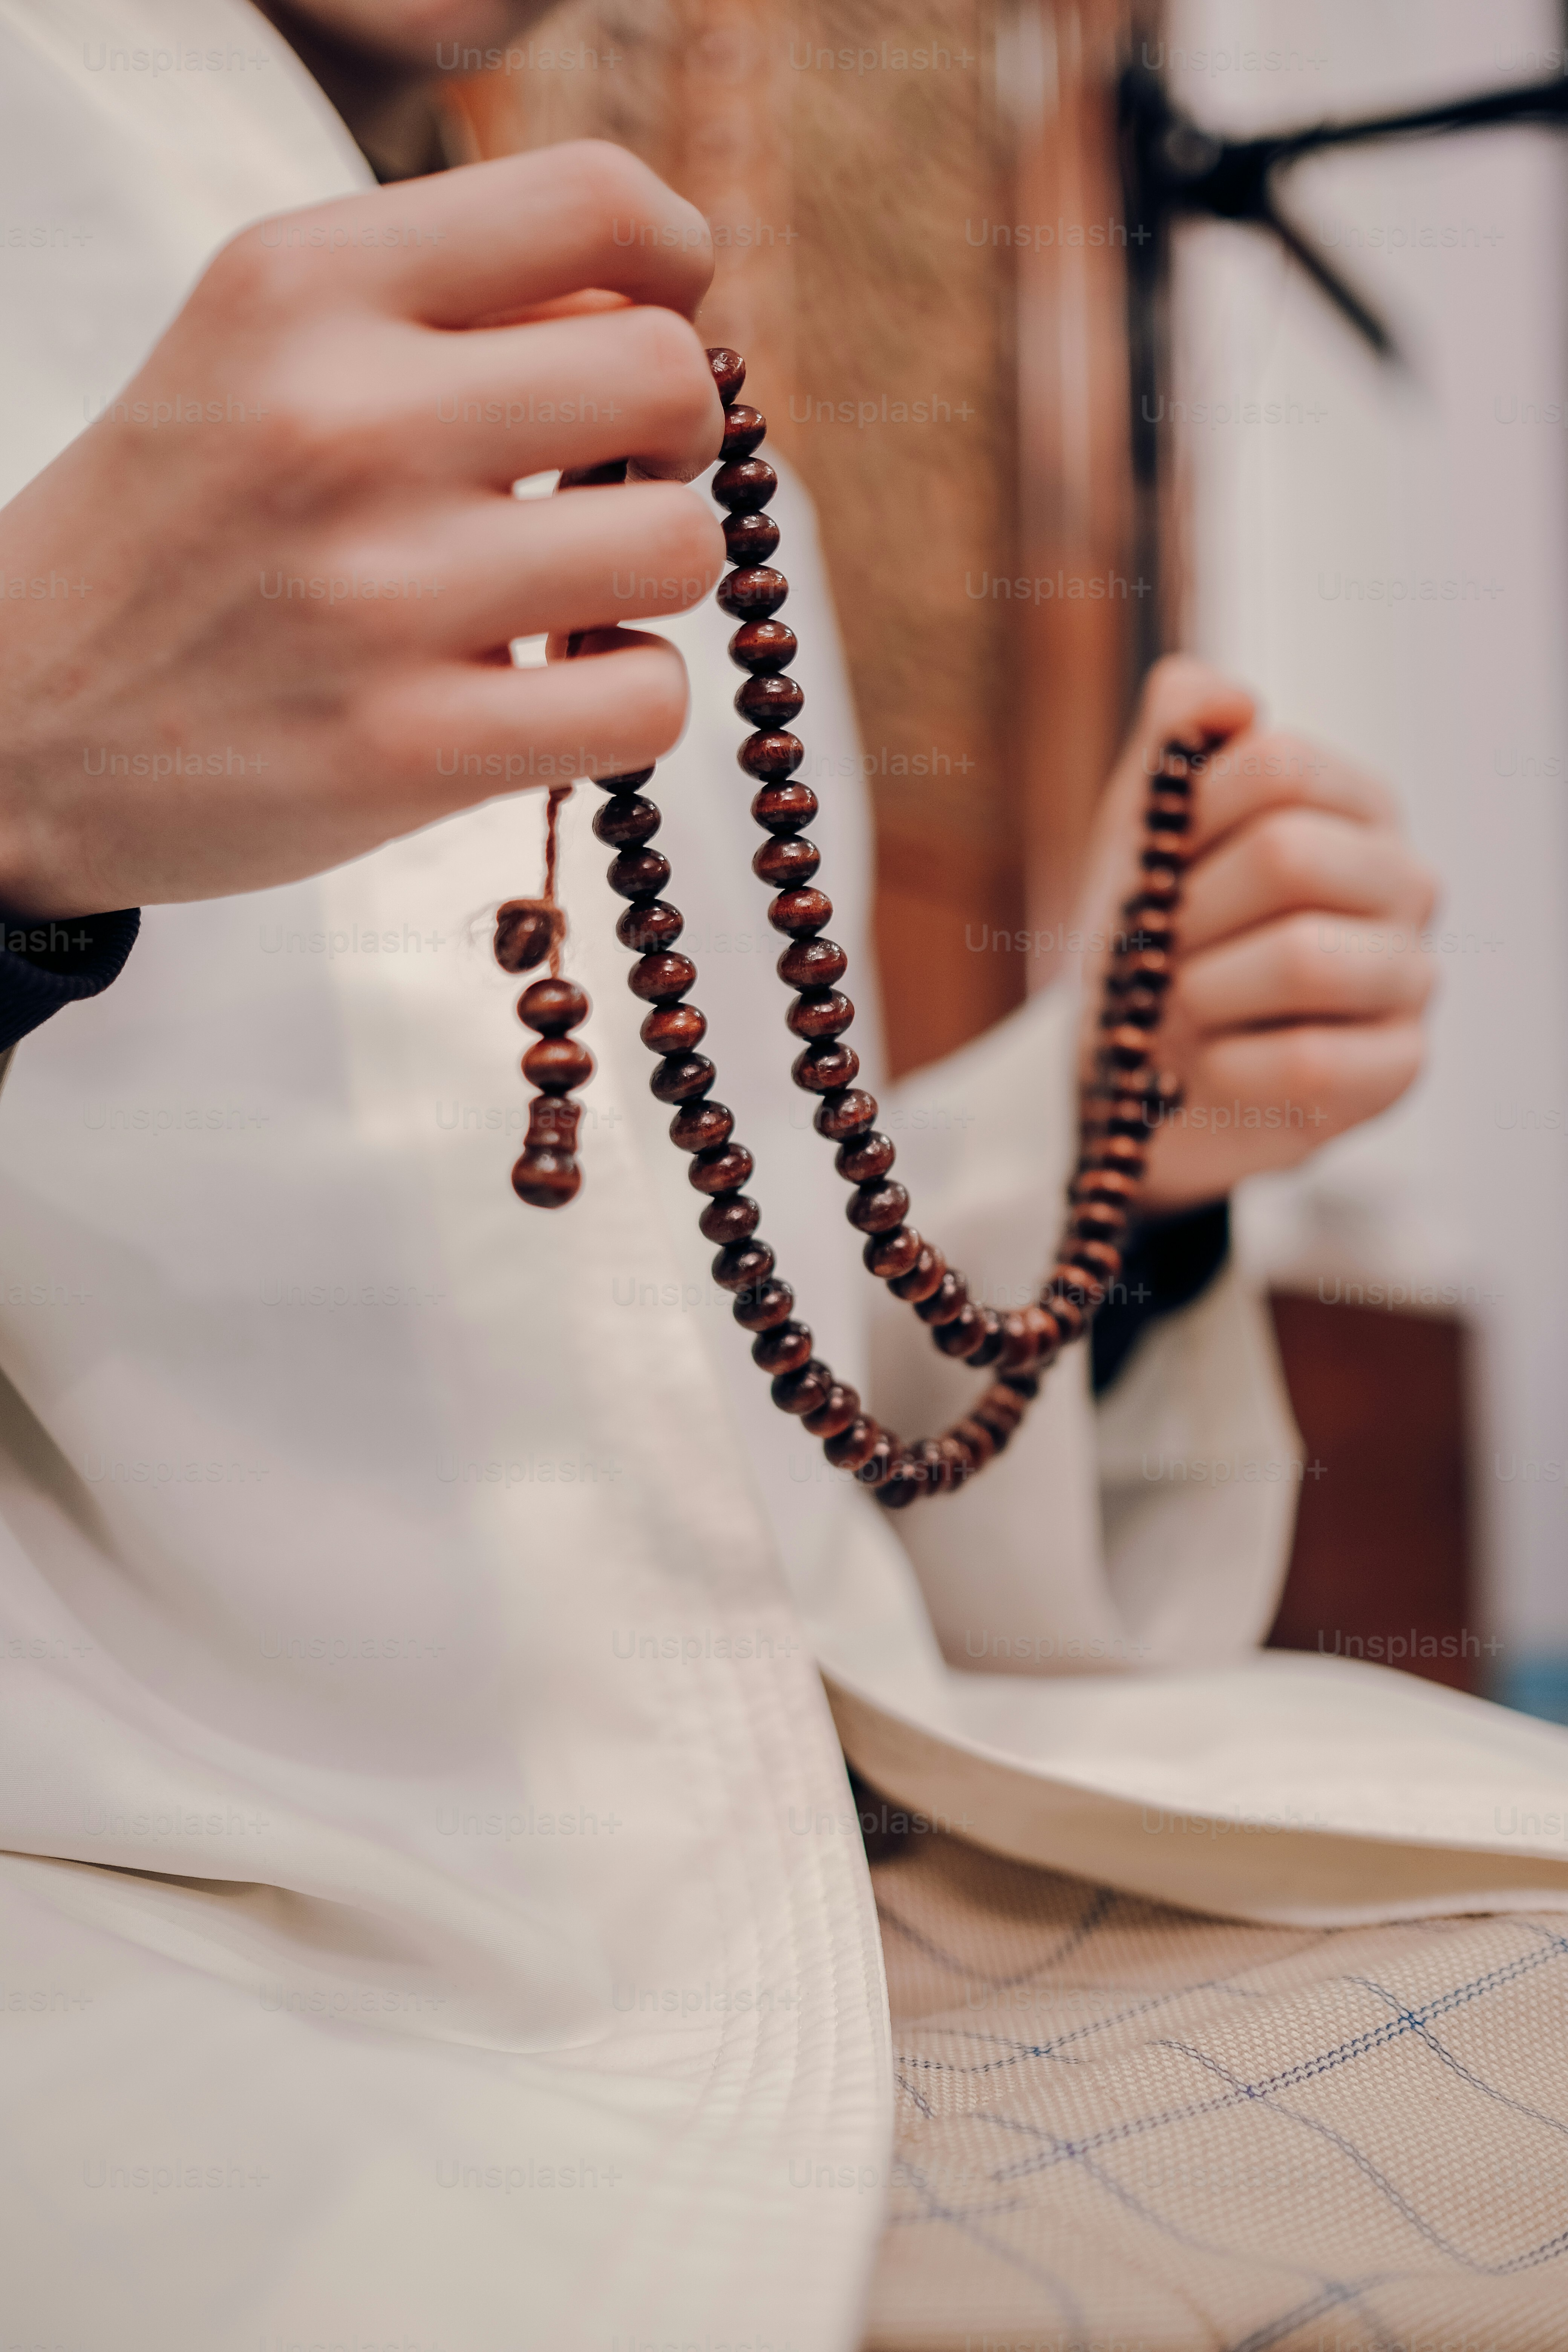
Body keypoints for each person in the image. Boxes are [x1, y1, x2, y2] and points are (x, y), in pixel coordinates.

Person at [11, 5, 1546, 2348]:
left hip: (808, 1873)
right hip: (171, 1976)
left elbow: (685, 1366)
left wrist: (1118, 1139)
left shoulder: (679, 469)